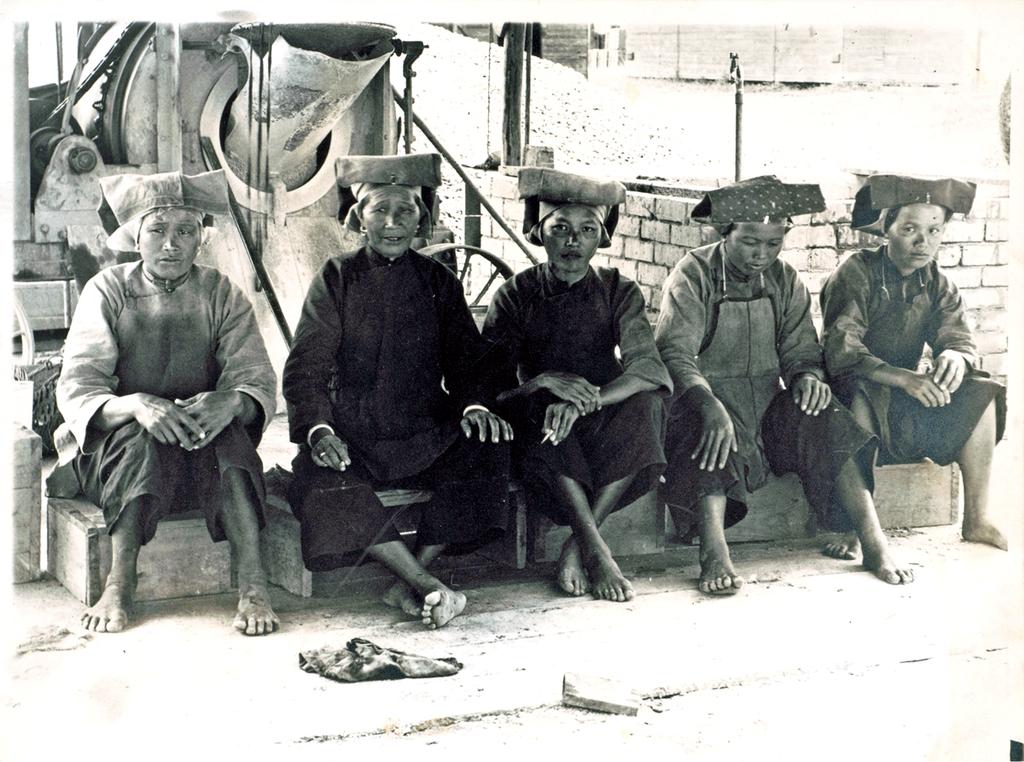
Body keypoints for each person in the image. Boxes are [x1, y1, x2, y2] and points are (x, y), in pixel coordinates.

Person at [282, 153, 512, 630]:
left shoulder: (438, 282)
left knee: (487, 450)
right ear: (358, 218)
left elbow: (469, 360)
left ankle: (411, 575)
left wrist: (473, 405)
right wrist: (319, 430)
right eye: (378, 211)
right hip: (356, 432)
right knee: (319, 482)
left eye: (405, 211)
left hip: (426, 426)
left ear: (421, 220)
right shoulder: (336, 278)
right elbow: (307, 365)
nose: (391, 223)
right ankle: (426, 584)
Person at [55, 170, 280, 635]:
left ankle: (253, 584)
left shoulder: (221, 293)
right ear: (136, 238)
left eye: (185, 231)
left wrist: (231, 402)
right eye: (157, 230)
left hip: (197, 441)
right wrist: (136, 404)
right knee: (138, 440)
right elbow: (79, 385)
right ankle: (119, 583)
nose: (171, 244)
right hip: (118, 448)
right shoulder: (108, 290)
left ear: (202, 239)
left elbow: (253, 374)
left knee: (231, 440)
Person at [655, 175, 901, 595]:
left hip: (767, 404)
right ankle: (713, 550)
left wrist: (809, 378)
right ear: (724, 232)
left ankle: (872, 536)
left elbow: (801, 350)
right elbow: (675, 354)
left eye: (773, 243)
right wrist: (708, 404)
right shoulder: (693, 273)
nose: (762, 255)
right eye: (750, 242)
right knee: (705, 432)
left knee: (825, 415)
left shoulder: (785, 280)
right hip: (707, 400)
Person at [481, 168, 672, 602]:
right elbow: (490, 386)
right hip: (543, 422)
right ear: (539, 233)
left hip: (601, 413)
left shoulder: (618, 290)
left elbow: (648, 369)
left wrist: (590, 401)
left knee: (648, 406)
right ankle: (598, 550)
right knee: (542, 415)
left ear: (600, 239)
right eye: (560, 229)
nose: (573, 241)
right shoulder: (515, 294)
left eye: (587, 230)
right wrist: (544, 382)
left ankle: (581, 543)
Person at [820, 174, 1007, 562]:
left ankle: (976, 517)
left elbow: (958, 338)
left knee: (982, 391)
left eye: (933, 230)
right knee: (860, 398)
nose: (923, 242)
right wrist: (904, 378)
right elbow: (842, 350)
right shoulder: (856, 272)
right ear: (887, 230)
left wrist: (954, 358)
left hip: (905, 393)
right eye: (909, 229)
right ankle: (858, 527)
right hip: (851, 391)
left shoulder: (939, 283)